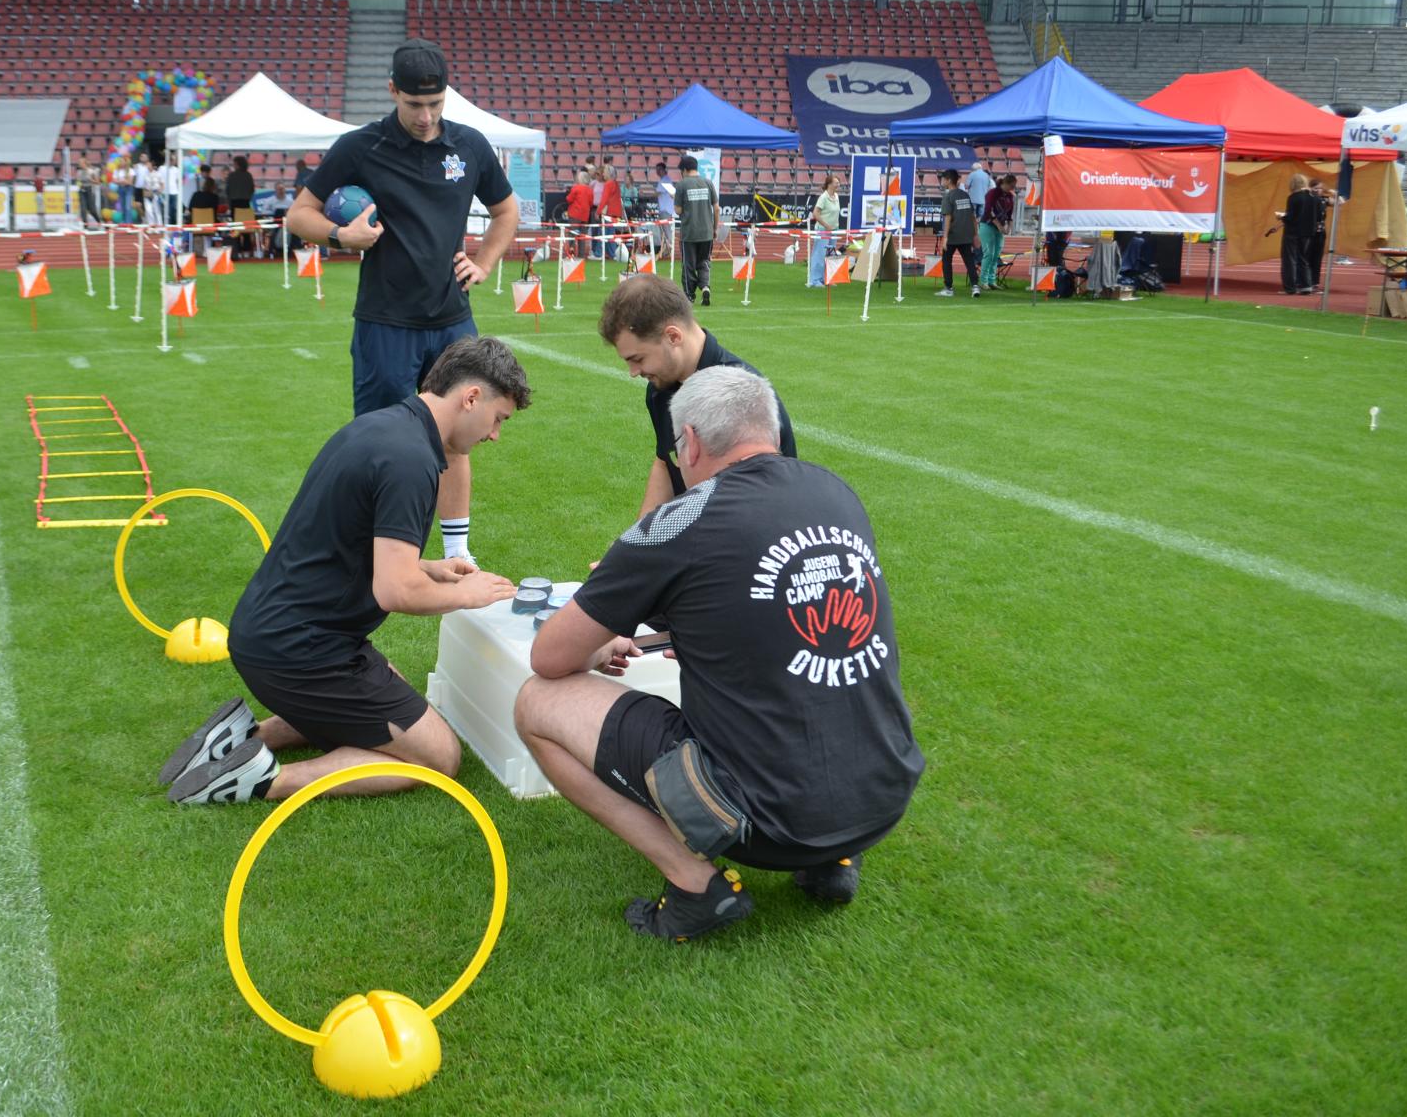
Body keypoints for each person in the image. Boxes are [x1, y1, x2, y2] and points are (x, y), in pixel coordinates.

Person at [515, 366, 923, 941]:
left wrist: (604, 634)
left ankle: (695, 886)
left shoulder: (677, 522)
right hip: (883, 798)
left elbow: (550, 657)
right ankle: (834, 857)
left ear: (691, 443)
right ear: (771, 430)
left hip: (766, 822)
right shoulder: (835, 491)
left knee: (536, 703)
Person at [162, 337, 530, 803]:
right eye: (499, 419)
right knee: (439, 757)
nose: (495, 435)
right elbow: (396, 591)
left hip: (274, 631)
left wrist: (427, 567)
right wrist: (467, 594)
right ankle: (260, 779)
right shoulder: (411, 460)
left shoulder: (384, 427)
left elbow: (342, 539)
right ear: (471, 397)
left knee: (394, 686)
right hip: (300, 652)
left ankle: (244, 736)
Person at [285, 39, 520, 568]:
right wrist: (342, 237)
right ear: (392, 91)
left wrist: (483, 262)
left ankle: (458, 551)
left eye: (435, 103)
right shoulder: (359, 147)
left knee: (458, 437)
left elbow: (507, 210)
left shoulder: (469, 146)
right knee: (381, 442)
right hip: (385, 322)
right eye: (415, 104)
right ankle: (374, 553)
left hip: (452, 321)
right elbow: (299, 214)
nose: (426, 115)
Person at [599, 273, 796, 518]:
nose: (633, 372)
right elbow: (666, 462)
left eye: (638, 359)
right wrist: (640, 536)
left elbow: (767, 500)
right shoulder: (661, 388)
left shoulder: (743, 399)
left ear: (673, 336)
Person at [677, 154, 719, 306]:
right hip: (706, 232)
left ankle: (689, 295)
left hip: (689, 232)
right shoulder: (708, 182)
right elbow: (716, 208)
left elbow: (678, 210)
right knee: (704, 262)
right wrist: (715, 228)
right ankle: (705, 286)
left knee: (688, 264)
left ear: (684, 170)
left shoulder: (682, 185)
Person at [935, 168, 980, 298]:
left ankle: (948, 288)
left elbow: (948, 217)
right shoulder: (965, 195)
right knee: (969, 261)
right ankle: (975, 286)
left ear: (948, 180)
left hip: (953, 234)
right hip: (967, 234)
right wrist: (975, 234)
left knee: (946, 260)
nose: (942, 182)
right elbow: (972, 216)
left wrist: (945, 237)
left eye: (943, 179)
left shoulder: (948, 196)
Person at [1279, 174, 1319, 295]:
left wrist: (1282, 217)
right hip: (1308, 232)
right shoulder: (1313, 197)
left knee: (1290, 260)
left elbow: (1290, 217)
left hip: (1293, 232)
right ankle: (1306, 286)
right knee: (1303, 259)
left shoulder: (1293, 197)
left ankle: (1290, 287)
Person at [979, 173, 1017, 290]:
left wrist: (1009, 226)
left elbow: (1010, 214)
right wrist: (999, 226)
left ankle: (992, 280)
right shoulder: (993, 193)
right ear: (1005, 183)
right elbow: (988, 211)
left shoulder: (1010, 196)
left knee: (996, 255)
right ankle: (983, 281)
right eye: (1012, 186)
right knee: (989, 254)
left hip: (999, 228)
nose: (1013, 188)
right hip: (987, 225)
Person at [807, 171, 841, 287]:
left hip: (834, 230)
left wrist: (833, 227)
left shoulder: (836, 196)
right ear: (829, 184)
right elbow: (815, 213)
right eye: (836, 183)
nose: (838, 185)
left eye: (839, 182)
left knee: (830, 255)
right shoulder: (823, 197)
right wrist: (826, 225)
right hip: (823, 229)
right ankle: (815, 280)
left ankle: (828, 278)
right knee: (819, 254)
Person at [225, 155, 256, 255]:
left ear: (237, 164)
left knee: (236, 228)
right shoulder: (248, 175)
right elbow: (252, 190)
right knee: (246, 227)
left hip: (235, 203)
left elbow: (227, 191)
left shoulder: (232, 176)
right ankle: (246, 249)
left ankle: (236, 249)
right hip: (245, 203)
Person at [564, 169, 594, 259]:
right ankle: (581, 255)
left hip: (575, 215)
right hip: (585, 216)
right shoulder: (590, 190)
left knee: (572, 235)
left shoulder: (576, 188)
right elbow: (591, 202)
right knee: (582, 237)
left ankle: (571, 254)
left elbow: (569, 199)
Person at [599, 163, 626, 261]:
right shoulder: (616, 183)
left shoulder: (608, 184)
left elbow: (604, 199)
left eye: (604, 172)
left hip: (609, 213)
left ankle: (599, 253)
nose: (603, 174)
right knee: (611, 234)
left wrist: (598, 211)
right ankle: (612, 253)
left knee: (603, 232)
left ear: (609, 173)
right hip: (615, 212)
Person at [652, 161, 676, 256]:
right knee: (664, 231)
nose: (657, 172)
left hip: (665, 210)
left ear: (662, 170)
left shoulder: (664, 181)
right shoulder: (666, 180)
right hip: (666, 209)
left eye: (658, 170)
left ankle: (670, 249)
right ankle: (667, 249)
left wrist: (646, 194)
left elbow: (657, 193)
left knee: (666, 231)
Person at [76, 156, 104, 226]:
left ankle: (99, 222)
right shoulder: (79, 172)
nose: (79, 164)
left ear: (84, 163)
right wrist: (79, 183)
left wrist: (91, 180)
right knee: (83, 209)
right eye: (79, 163)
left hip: (90, 190)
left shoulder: (91, 171)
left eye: (80, 163)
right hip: (82, 190)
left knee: (92, 210)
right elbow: (78, 181)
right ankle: (85, 225)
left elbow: (98, 182)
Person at [131, 153, 154, 225]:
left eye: (144, 156)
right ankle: (143, 218)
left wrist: (149, 167)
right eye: (141, 156)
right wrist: (132, 184)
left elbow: (153, 174)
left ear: (147, 158)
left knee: (147, 207)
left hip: (146, 188)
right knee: (138, 205)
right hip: (138, 187)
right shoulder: (137, 166)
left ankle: (150, 221)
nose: (142, 157)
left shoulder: (149, 166)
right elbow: (134, 176)